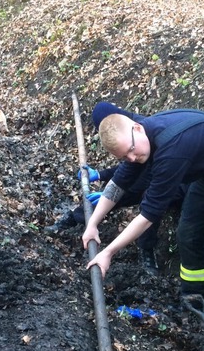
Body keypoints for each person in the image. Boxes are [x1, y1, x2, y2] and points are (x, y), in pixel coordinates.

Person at [82, 105, 204, 344]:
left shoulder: (171, 148)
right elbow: (118, 183)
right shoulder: (139, 140)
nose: (132, 158)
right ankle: (195, 299)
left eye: (132, 152)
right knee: (187, 236)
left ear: (137, 128)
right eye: (125, 157)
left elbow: (148, 215)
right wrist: (92, 223)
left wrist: (108, 252)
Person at [46, 103, 185, 276]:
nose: (129, 156)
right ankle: (76, 217)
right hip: (153, 177)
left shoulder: (140, 133)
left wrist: (108, 251)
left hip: (177, 185)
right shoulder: (129, 140)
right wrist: (101, 176)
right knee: (114, 194)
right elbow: (127, 170)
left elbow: (142, 176)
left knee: (145, 200)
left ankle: (147, 250)